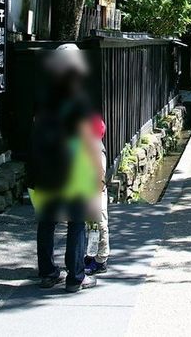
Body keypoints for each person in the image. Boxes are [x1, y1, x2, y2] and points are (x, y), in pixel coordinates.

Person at [28, 44, 103, 292]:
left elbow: (36, 129)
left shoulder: (42, 97)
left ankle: (48, 273)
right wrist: (99, 174)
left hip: (46, 166)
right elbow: (87, 139)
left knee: (47, 221)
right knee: (77, 222)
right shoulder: (79, 99)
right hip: (72, 168)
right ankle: (75, 277)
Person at [84, 113, 109, 275]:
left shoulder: (96, 149)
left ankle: (101, 259)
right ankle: (92, 255)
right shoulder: (91, 146)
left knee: (99, 225)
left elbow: (99, 175)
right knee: (92, 226)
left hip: (95, 193)